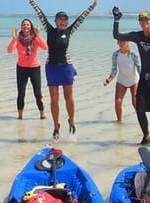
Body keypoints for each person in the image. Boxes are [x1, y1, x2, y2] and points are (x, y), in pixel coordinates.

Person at [28, 0, 98, 140]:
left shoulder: (69, 31)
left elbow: (81, 18)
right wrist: (32, 2)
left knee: (69, 97)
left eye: (65, 20)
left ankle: (71, 122)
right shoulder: (49, 30)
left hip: (66, 67)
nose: (63, 22)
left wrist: (93, 5)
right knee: (54, 99)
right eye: (60, 19)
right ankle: (56, 126)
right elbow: (39, 13)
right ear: (56, 21)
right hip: (52, 67)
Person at [113, 8, 150, 146]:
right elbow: (116, 34)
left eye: (146, 19)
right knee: (140, 109)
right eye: (141, 20)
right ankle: (146, 137)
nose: (144, 22)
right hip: (145, 79)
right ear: (139, 22)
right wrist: (116, 20)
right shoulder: (137, 36)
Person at [7, 18, 48, 120]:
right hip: (21, 69)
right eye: (24, 25)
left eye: (28, 25)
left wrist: (38, 35)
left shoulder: (35, 38)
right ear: (21, 27)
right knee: (21, 93)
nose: (26, 26)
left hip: (34, 68)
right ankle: (20, 117)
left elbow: (45, 47)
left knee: (37, 93)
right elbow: (9, 50)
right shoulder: (18, 39)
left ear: (31, 27)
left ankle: (42, 114)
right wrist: (14, 38)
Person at [102, 39, 141, 125]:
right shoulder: (115, 54)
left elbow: (139, 68)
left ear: (127, 42)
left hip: (134, 80)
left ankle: (141, 121)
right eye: (119, 41)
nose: (121, 43)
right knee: (117, 102)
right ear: (117, 43)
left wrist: (144, 81)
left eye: (124, 41)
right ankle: (119, 122)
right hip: (121, 81)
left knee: (135, 102)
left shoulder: (133, 54)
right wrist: (108, 80)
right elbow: (114, 70)